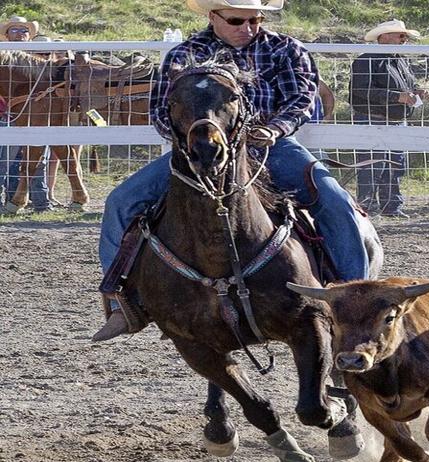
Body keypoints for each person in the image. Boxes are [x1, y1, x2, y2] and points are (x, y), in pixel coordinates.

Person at [93, 0, 371, 341]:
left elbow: (301, 98)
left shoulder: (285, 49)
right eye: (237, 20)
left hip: (269, 147)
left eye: (255, 19)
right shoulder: (185, 54)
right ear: (214, 17)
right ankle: (125, 302)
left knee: (333, 199)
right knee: (121, 201)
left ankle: (356, 299)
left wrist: (275, 129)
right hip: (198, 152)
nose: (248, 27)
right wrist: (190, 141)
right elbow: (161, 110)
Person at [350, 19, 429, 218]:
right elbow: (360, 90)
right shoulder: (366, 60)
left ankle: (389, 207)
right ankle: (368, 208)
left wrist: (416, 91)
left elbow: (407, 85)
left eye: (404, 36)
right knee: (373, 166)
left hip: (393, 119)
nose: (404, 39)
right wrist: (397, 96)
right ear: (385, 37)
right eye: (400, 35)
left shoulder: (399, 60)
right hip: (373, 118)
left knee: (395, 165)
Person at [1, 15, 51, 212]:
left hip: (34, 114)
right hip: (6, 113)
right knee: (5, 160)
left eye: (24, 31)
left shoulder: (39, 57)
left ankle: (39, 201)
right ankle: (14, 199)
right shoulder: (3, 56)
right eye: (14, 30)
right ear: (7, 34)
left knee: (37, 159)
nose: (20, 34)